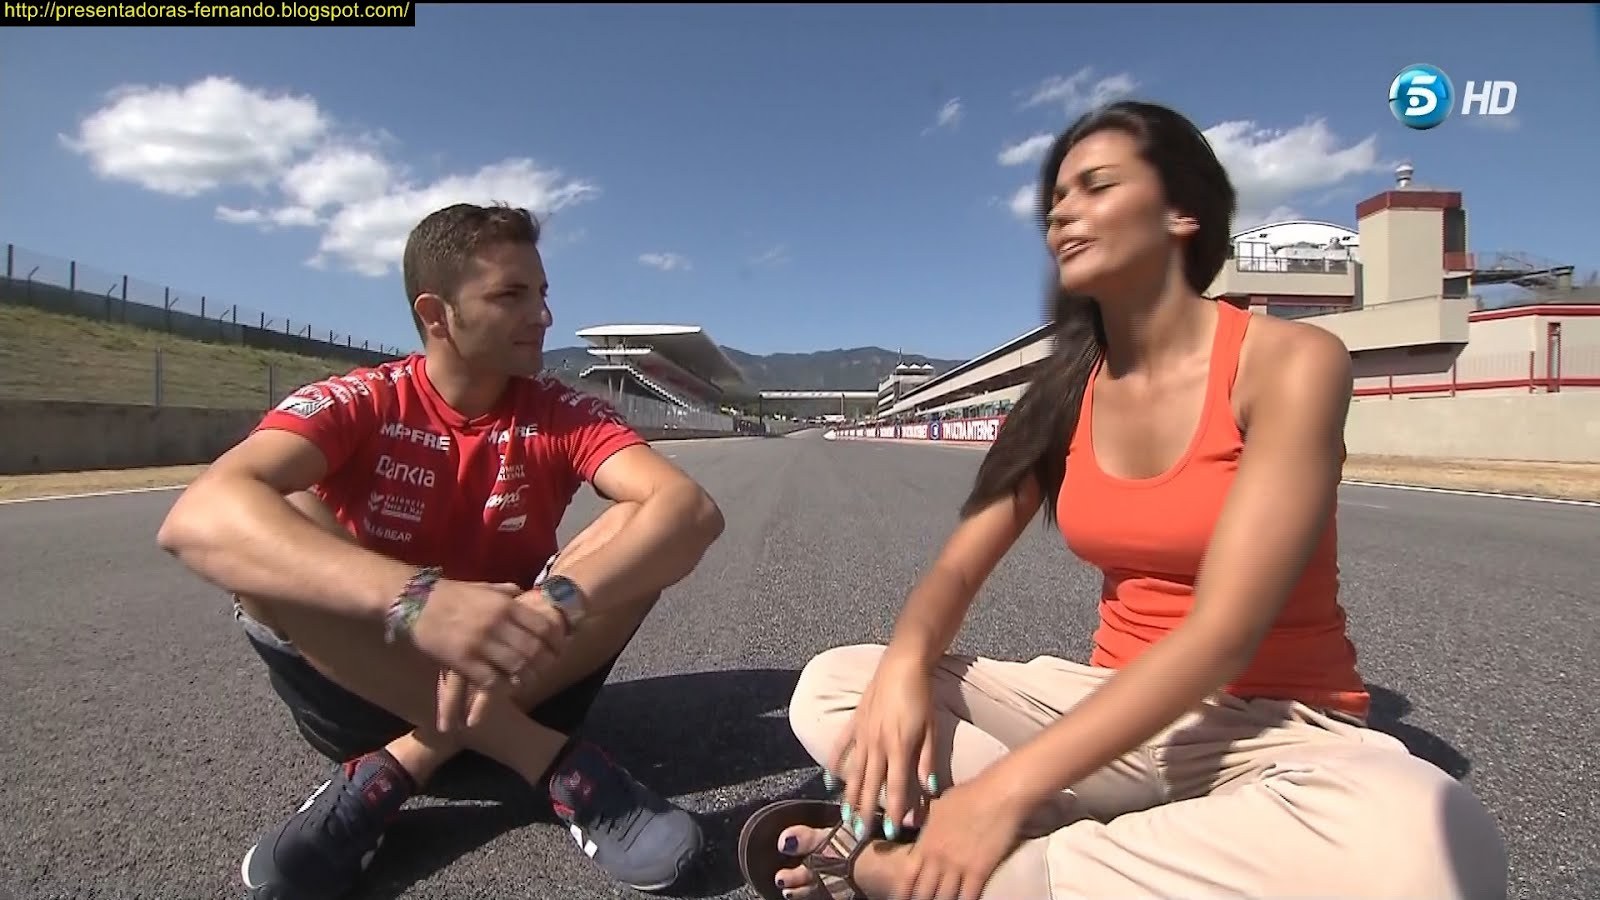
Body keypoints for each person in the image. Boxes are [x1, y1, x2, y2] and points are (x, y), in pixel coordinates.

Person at [737, 101, 1508, 899]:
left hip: (1279, 730)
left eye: (1096, 186)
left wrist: (1003, 793)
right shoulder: (1062, 393)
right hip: (1108, 717)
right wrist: (904, 667)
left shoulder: (1290, 361)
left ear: (1182, 212)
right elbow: (957, 569)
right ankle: (1082, 859)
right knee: (835, 687)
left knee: (1437, 848)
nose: (1061, 214)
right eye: (1054, 202)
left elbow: (1223, 636)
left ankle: (923, 865)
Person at [157, 202, 725, 899]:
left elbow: (690, 511)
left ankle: (399, 766)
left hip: (521, 670)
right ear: (436, 314)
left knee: (641, 532)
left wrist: (553, 605)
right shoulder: (364, 397)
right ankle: (547, 762)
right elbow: (197, 518)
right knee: (272, 521)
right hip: (363, 687)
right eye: (511, 295)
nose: (544, 315)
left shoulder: (560, 410)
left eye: (542, 293)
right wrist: (420, 602)